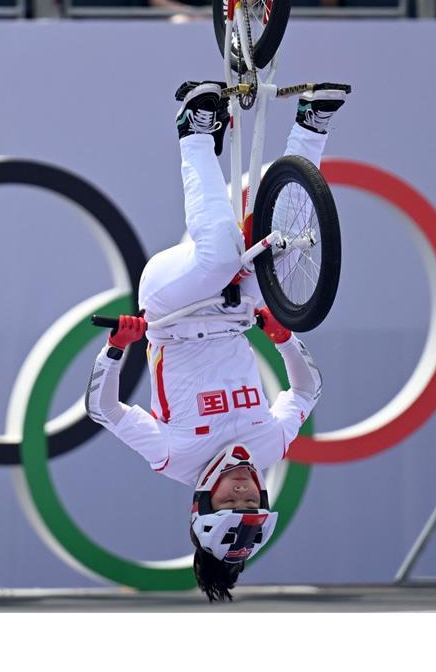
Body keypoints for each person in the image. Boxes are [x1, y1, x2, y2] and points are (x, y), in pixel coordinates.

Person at [84, 80, 347, 601]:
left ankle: (194, 131)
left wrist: (117, 347)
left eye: (235, 501)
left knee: (223, 254)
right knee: (286, 251)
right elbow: (305, 393)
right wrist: (284, 339)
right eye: (256, 502)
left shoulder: (172, 458)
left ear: (202, 501)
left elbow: (105, 410)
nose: (249, 490)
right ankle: (311, 124)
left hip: (169, 307)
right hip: (236, 313)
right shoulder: (270, 447)